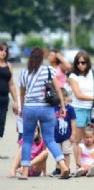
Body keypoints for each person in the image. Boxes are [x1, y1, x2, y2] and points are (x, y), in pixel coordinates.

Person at [19, 47, 69, 179]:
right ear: (42, 58)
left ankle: (24, 173)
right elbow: (58, 89)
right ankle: (63, 166)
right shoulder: (49, 70)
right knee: (50, 140)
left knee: (27, 140)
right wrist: (62, 106)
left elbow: (22, 93)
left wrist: (22, 108)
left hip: (29, 108)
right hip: (46, 109)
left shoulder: (24, 73)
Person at [68, 50, 94, 164]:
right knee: (78, 139)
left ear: (88, 63)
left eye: (83, 62)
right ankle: (79, 164)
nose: (80, 65)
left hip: (93, 109)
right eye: (78, 63)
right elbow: (78, 95)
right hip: (78, 108)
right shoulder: (73, 76)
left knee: (93, 137)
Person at [50, 88, 77, 177]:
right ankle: (58, 169)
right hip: (56, 136)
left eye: (64, 100)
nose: (62, 102)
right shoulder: (53, 109)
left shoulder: (70, 109)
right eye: (60, 100)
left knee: (66, 153)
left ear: (67, 98)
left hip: (67, 136)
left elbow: (73, 121)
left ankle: (67, 169)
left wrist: (73, 134)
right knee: (57, 153)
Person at [0, 42, 18, 159]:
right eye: (1, 50)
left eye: (5, 51)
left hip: (4, 99)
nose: (3, 53)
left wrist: (16, 101)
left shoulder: (8, 65)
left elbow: (11, 84)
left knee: (0, 124)